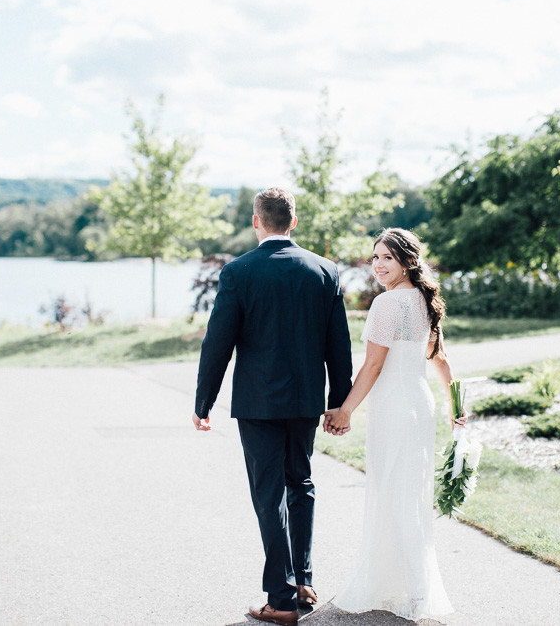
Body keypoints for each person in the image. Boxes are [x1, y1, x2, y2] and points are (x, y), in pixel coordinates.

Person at [194, 187, 354, 626]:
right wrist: (339, 403)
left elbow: (217, 344)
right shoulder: (325, 270)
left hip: (259, 402)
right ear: (294, 222)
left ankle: (281, 600)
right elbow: (338, 346)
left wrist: (203, 400)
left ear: (255, 222)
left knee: (269, 494)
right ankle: (302, 579)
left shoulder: (239, 272)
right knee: (299, 484)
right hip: (305, 400)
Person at [324, 227, 465, 622]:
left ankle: (417, 593)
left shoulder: (387, 306)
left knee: (394, 490)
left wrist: (345, 410)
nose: (379, 265)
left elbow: (373, 365)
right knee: (408, 491)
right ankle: (406, 585)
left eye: (388, 257)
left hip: (395, 406)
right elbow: (439, 360)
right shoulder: (425, 300)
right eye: (375, 257)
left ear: (407, 260)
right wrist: (455, 404)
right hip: (419, 403)